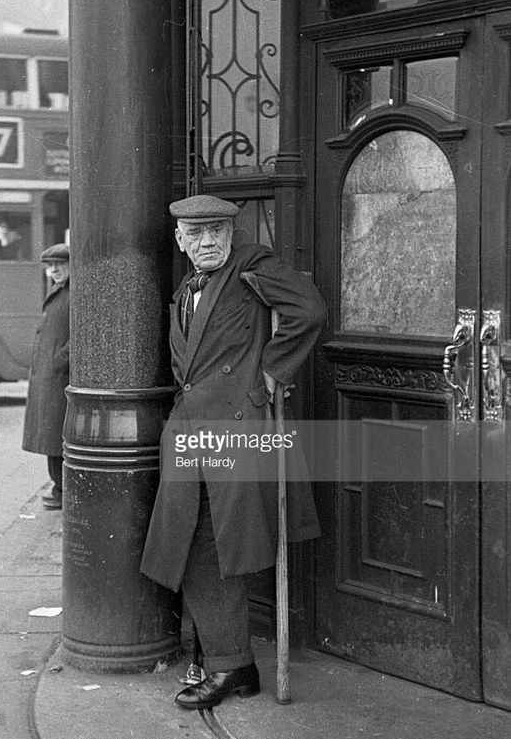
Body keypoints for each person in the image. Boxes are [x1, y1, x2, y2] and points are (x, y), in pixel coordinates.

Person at [140, 195, 326, 710]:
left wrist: (271, 372)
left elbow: (308, 311)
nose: (208, 242)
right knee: (191, 541)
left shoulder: (253, 265)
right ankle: (229, 662)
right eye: (196, 234)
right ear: (180, 239)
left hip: (236, 431)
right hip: (191, 433)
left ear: (231, 232)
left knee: (218, 543)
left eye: (217, 231)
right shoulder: (184, 290)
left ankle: (230, 666)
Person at [22, 243, 70, 511]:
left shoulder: (72, 292)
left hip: (58, 376)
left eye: (59, 265)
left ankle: (61, 489)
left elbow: (78, 335)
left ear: (70, 265)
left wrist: (58, 361)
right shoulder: (60, 291)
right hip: (51, 376)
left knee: (55, 435)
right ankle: (58, 488)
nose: (53, 270)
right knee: (51, 435)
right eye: (50, 266)